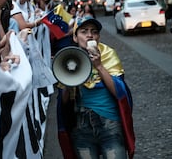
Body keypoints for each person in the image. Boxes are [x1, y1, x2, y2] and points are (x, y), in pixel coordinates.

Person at [57, 16, 135, 159]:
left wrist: (99, 66)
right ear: (75, 37)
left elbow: (119, 92)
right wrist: (68, 81)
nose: (89, 35)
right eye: (84, 31)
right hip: (81, 128)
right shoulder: (69, 58)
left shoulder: (108, 54)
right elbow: (63, 102)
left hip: (109, 125)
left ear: (98, 37)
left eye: (94, 32)